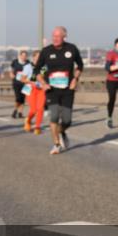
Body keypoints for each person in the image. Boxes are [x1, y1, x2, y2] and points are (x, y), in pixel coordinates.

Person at [34, 26, 84, 155]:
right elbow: (37, 70)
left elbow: (80, 65)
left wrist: (75, 79)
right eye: (53, 36)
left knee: (67, 120)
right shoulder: (46, 51)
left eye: (58, 36)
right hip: (52, 89)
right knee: (54, 116)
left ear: (64, 37)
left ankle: (62, 131)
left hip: (68, 89)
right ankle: (56, 144)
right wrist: (43, 83)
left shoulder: (72, 49)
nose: (55, 39)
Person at [22, 69, 46, 135]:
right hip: (31, 89)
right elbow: (22, 79)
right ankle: (28, 120)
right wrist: (29, 81)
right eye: (35, 58)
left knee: (40, 109)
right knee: (33, 110)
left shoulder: (45, 67)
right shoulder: (29, 67)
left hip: (41, 90)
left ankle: (37, 127)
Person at [9, 51, 32, 119]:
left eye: (25, 56)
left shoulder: (28, 63)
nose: (23, 57)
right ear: (20, 56)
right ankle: (15, 110)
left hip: (25, 83)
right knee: (18, 98)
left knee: (23, 98)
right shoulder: (15, 61)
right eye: (22, 56)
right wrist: (11, 74)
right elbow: (11, 69)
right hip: (16, 82)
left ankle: (20, 113)